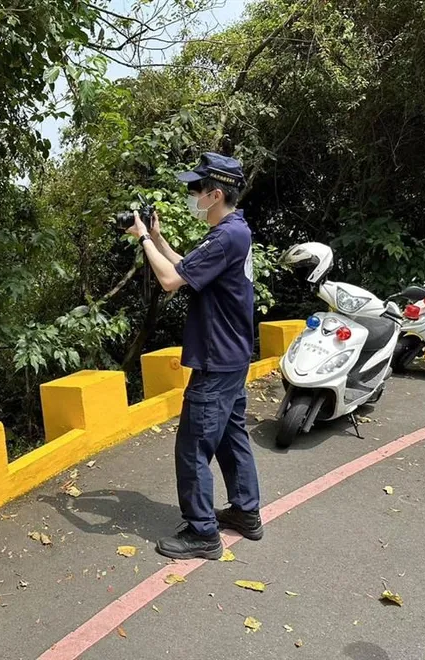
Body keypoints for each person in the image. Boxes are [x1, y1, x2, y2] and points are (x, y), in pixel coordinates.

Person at [126, 152, 263, 560]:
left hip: (217, 359)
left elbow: (169, 280)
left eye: (196, 189)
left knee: (194, 445)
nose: (192, 196)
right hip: (232, 354)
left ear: (215, 194)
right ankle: (245, 512)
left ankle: (203, 533)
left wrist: (144, 240)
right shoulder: (232, 232)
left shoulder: (226, 236)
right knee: (229, 437)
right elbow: (189, 268)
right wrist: (159, 237)